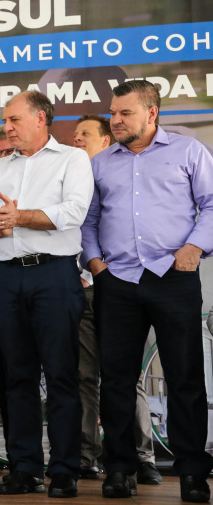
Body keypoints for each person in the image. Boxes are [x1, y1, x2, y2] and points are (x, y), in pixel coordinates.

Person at [81, 80, 213, 503]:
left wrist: (195, 247)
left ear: (152, 113)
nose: (115, 120)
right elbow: (88, 220)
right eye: (113, 113)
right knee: (116, 379)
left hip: (174, 277)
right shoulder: (100, 164)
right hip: (117, 281)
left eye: (125, 113)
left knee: (184, 376)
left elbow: (212, 204)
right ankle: (120, 469)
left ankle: (192, 473)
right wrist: (96, 263)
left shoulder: (188, 151)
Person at [0, 91, 93, 498]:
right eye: (6, 121)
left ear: (41, 119)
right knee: (16, 376)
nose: (7, 128)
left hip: (54, 274)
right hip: (7, 276)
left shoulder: (72, 159)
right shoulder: (0, 168)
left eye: (14, 120)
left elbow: (73, 212)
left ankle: (65, 468)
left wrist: (17, 217)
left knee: (61, 374)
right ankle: (24, 467)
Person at [71, 114, 161, 484]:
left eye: (85, 134)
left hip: (121, 287)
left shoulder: (121, 172)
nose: (77, 139)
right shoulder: (69, 174)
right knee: (84, 376)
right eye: (74, 134)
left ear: (107, 140)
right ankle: (87, 457)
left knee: (126, 376)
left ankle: (142, 457)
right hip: (79, 289)